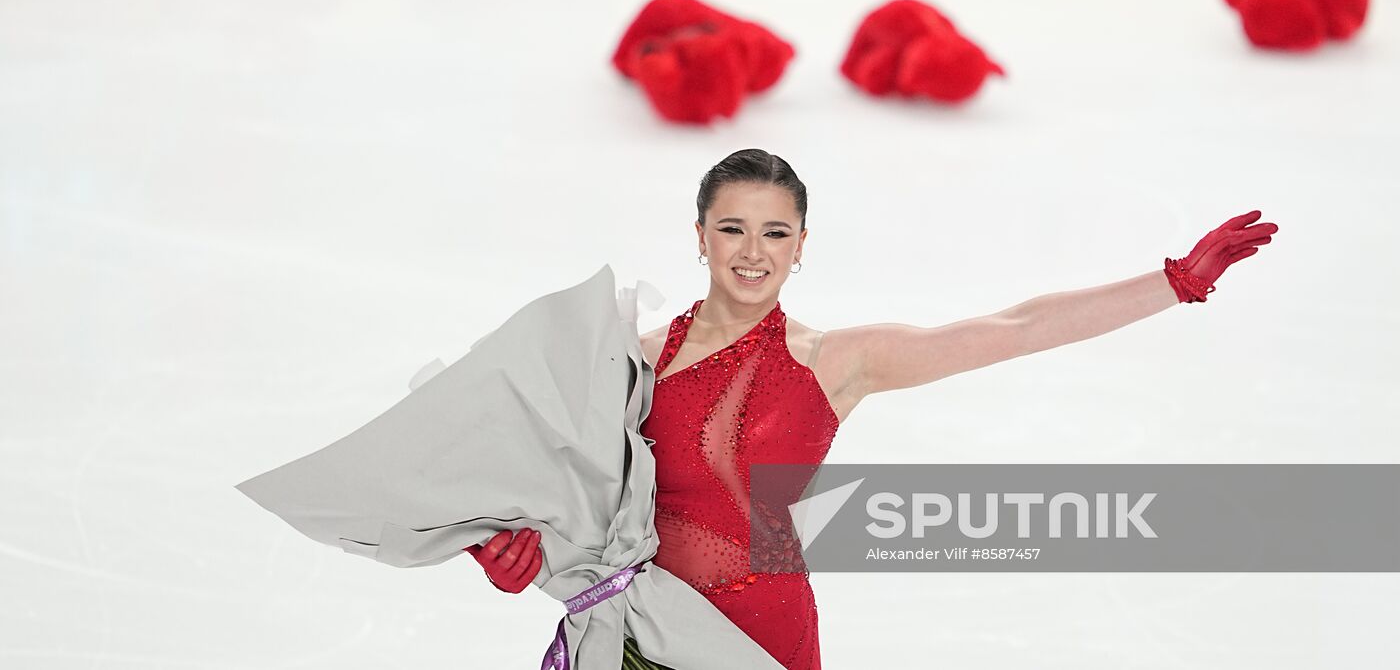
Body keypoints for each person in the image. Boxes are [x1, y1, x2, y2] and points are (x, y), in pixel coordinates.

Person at [467, 148, 1278, 669]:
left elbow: (1010, 329)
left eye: (776, 233)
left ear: (801, 245)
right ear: (702, 237)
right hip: (643, 635)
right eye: (734, 229)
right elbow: (559, 498)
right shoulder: (633, 359)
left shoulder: (832, 362)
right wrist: (517, 553)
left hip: (766, 640)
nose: (754, 251)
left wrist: (1175, 281)